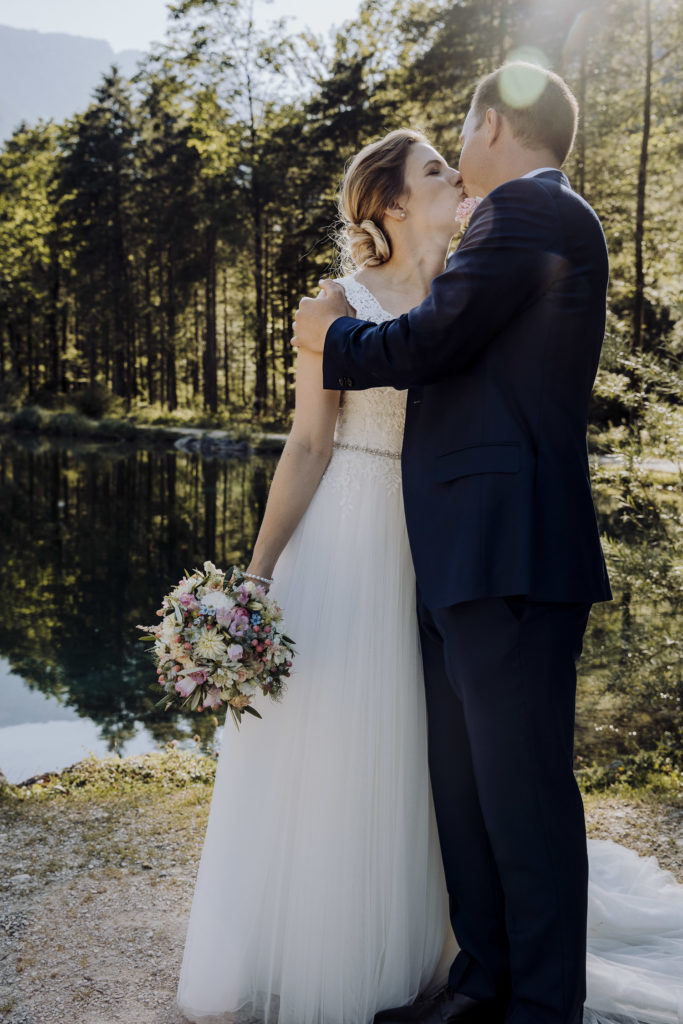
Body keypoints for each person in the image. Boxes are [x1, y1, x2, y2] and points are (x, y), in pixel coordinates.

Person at [176, 102, 683, 1024]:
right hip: (428, 553)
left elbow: (430, 343)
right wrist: (256, 572)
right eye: (433, 170)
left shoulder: (517, 223)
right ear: (390, 205)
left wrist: (324, 337)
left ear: (493, 120)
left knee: (516, 793)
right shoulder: (456, 261)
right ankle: (479, 978)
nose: (454, 172)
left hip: (495, 550)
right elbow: (311, 443)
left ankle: (535, 1004)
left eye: (456, 153)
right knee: (456, 787)